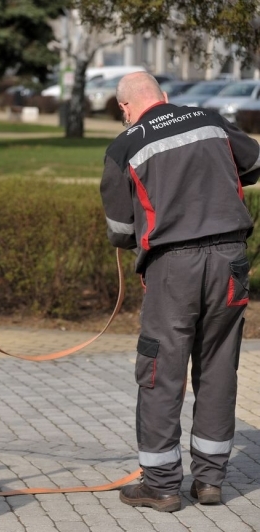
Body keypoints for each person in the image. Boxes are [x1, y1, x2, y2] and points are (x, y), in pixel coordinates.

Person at [100, 72, 260, 512]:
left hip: (174, 268)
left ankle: (161, 485)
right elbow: (253, 161)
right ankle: (209, 482)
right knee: (218, 366)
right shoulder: (209, 120)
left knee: (160, 371)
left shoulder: (125, 145)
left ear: (126, 108)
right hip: (230, 261)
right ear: (164, 98)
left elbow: (119, 230)